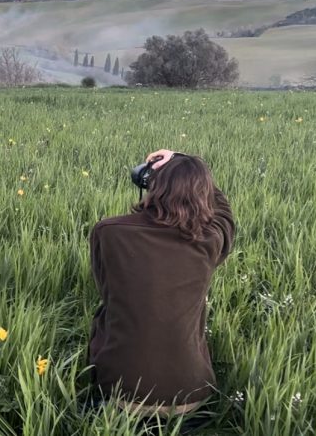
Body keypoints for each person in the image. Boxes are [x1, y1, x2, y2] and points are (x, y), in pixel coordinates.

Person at [88, 148, 235, 427]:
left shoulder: (108, 232)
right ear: (203, 191)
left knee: (105, 313)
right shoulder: (210, 240)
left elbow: (105, 288)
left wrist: (170, 165)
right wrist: (186, 163)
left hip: (122, 394)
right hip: (192, 397)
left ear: (150, 185)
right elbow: (224, 214)